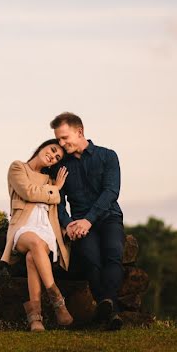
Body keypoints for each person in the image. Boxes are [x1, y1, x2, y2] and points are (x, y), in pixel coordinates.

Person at [51, 112, 124, 331]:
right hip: (79, 224)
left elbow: (111, 191)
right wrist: (68, 223)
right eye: (58, 140)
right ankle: (112, 312)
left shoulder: (108, 156)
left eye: (64, 138)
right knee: (91, 260)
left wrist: (88, 220)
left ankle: (109, 310)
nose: (61, 144)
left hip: (109, 216)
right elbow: (58, 200)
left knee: (113, 254)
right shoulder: (60, 166)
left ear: (79, 131)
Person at [0, 138, 73, 331]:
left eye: (57, 157)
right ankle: (57, 299)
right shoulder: (18, 168)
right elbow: (29, 193)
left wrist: (54, 190)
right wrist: (54, 189)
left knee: (33, 256)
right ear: (42, 147)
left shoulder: (50, 180)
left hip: (46, 228)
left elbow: (57, 201)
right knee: (33, 242)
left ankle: (35, 319)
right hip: (23, 227)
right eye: (52, 150)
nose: (53, 156)